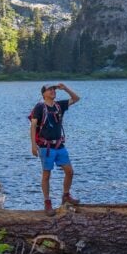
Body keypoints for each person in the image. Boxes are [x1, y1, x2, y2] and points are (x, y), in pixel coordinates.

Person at [29, 82, 80, 215]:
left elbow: (76, 98)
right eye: (49, 89)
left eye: (53, 89)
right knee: (46, 175)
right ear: (44, 94)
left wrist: (66, 88)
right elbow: (33, 126)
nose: (52, 91)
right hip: (46, 147)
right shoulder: (40, 107)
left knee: (69, 171)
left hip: (59, 145)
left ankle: (65, 196)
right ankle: (47, 203)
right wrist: (33, 145)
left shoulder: (59, 106)